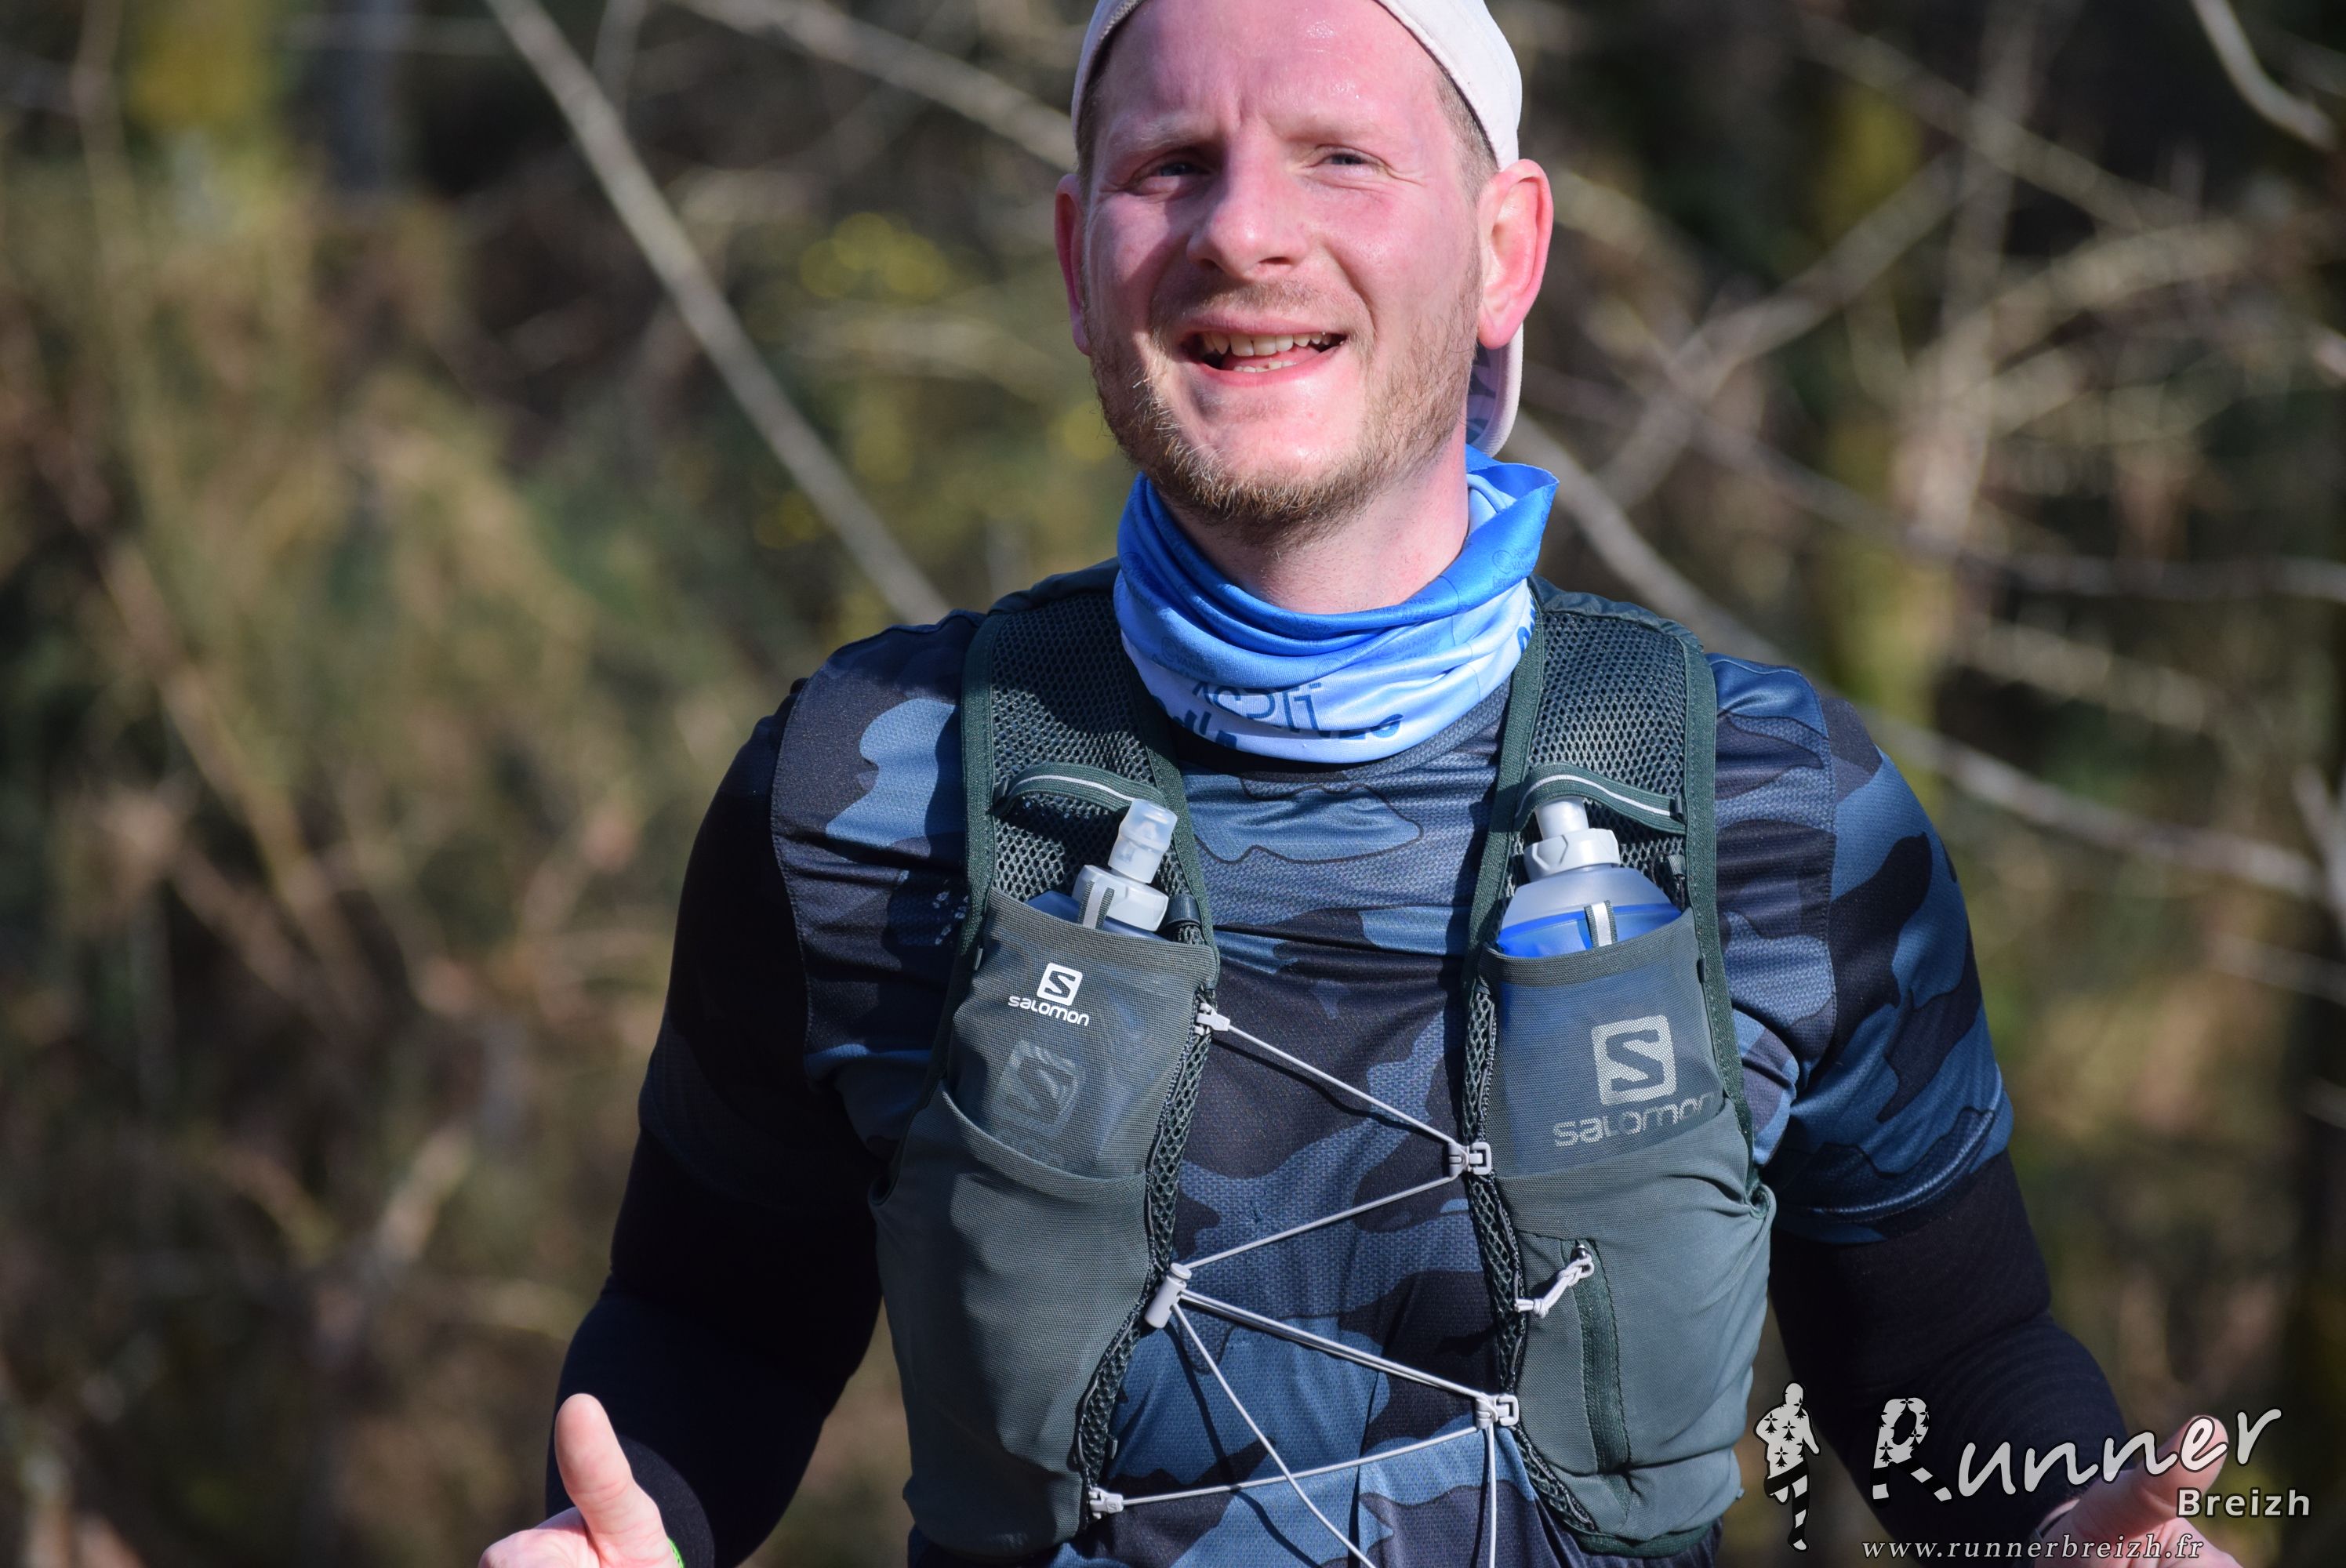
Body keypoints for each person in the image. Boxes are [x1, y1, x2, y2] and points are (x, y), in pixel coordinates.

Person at [479, 1, 2247, 1563]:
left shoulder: (1779, 809)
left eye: (1339, 155)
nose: (1244, 230)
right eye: (1169, 163)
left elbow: (1947, 1353)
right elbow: (711, 1330)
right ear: (1077, 256)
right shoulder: (862, 789)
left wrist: (2070, 1532)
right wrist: (610, 1530)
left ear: (1503, 249)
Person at [1756, 1383, 1821, 1552]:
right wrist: (1774, 1440)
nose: (1797, 1402)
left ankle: (1797, 1535)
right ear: (1787, 1397)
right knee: (1782, 1495)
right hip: (1780, 1461)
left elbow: (1808, 1434)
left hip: (1799, 1461)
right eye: (1794, 1398)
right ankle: (1772, 1485)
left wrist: (1814, 1448)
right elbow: (1761, 1429)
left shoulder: (1803, 1416)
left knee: (1802, 1496)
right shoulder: (1776, 1414)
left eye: (1800, 1399)